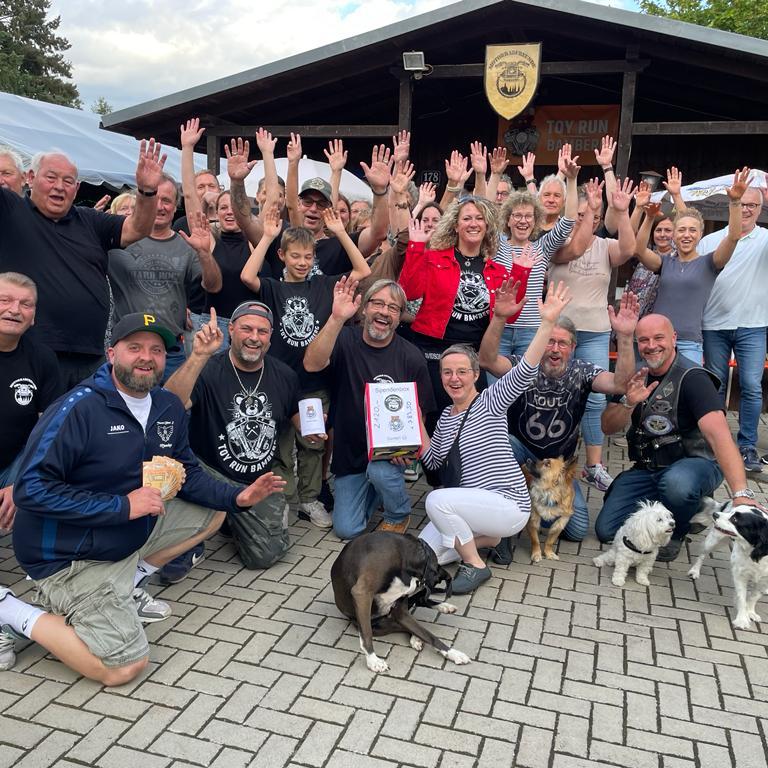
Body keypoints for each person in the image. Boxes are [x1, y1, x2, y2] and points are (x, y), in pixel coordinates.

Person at [1, 312, 285, 680]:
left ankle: (127, 584)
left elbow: (188, 473)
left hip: (121, 533)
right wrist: (122, 506)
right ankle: (9, 609)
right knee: (123, 667)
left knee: (213, 512)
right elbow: (31, 490)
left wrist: (237, 498)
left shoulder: (166, 406)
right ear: (111, 353)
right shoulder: (78, 408)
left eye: (156, 350)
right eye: (134, 347)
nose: (146, 357)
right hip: (68, 557)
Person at [417, 281, 573, 593]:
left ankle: (475, 565)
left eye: (462, 371)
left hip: (507, 504)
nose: (454, 378)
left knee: (435, 500)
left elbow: (526, 370)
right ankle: (490, 540)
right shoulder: (446, 419)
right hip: (473, 507)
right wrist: (415, 421)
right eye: (447, 372)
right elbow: (432, 461)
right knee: (423, 553)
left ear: (475, 375)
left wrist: (547, 324)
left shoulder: (490, 399)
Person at [479, 286, 638, 564]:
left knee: (576, 530)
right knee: (502, 444)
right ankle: (501, 532)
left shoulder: (582, 371)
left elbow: (619, 384)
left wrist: (624, 338)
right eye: (549, 341)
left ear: (573, 348)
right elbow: (487, 360)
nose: (554, 349)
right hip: (520, 455)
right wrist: (500, 317)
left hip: (557, 466)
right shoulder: (523, 365)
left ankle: (525, 504)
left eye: (562, 343)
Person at [164, 302, 324, 574]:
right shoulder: (208, 368)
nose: (254, 337)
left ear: (270, 337)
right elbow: (171, 404)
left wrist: (312, 429)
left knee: (266, 555)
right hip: (208, 473)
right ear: (232, 330)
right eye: (246, 329)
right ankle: (196, 535)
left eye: (262, 331)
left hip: (255, 481)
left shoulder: (284, 375)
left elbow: (299, 419)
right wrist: (198, 356)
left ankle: (230, 519)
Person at [239, 207, 371, 528]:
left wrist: (340, 232)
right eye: (295, 256)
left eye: (308, 256)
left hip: (315, 380)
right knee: (281, 442)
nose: (302, 262)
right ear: (282, 255)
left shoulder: (325, 286)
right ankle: (284, 499)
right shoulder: (273, 287)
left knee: (313, 442)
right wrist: (268, 236)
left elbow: (362, 270)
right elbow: (246, 276)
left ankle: (310, 498)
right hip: (280, 382)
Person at [0, 142, 166, 388]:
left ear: (76, 189)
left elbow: (137, 228)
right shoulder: (11, 211)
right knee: (36, 424)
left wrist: (147, 191)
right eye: (51, 177)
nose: (59, 186)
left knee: (88, 423)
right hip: (30, 350)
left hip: (89, 354)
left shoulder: (90, 220)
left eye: (68, 181)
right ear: (31, 178)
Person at [596, 313, 754, 562]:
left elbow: (720, 437)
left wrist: (741, 494)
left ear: (674, 338)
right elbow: (607, 427)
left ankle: (678, 530)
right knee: (606, 529)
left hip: (696, 465)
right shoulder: (636, 375)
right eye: (644, 340)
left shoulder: (694, 378)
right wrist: (628, 403)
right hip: (648, 469)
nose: (651, 345)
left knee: (677, 485)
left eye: (659, 338)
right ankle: (690, 507)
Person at [304, 278, 435, 539]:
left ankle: (398, 513)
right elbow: (312, 363)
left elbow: (417, 412)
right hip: (349, 455)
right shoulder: (343, 339)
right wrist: (336, 318)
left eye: (393, 308)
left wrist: (411, 449)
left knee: (381, 472)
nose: (384, 312)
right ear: (364, 308)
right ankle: (376, 490)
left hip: (388, 456)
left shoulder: (411, 357)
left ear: (399, 318)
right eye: (378, 303)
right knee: (346, 529)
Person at [549, 177, 636, 492]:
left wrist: (622, 212)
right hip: (559, 333)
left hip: (596, 331)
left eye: (595, 217)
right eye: (583, 215)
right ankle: (552, 458)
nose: (590, 220)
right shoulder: (559, 244)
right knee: (555, 396)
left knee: (596, 398)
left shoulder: (605, 246)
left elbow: (629, 248)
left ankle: (594, 466)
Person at [107, 174, 222, 379]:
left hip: (170, 350)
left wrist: (205, 254)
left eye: (167, 201)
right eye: (155, 199)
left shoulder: (186, 244)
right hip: (128, 346)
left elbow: (213, 286)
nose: (160, 206)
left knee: (174, 408)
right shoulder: (117, 239)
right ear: (143, 201)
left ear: (175, 206)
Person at [632, 169, 749, 364]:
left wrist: (736, 202)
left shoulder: (710, 263)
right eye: (682, 230)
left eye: (692, 230)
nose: (687, 234)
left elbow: (734, 237)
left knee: (687, 391)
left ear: (700, 234)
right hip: (657, 343)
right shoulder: (665, 263)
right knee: (652, 392)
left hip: (689, 344)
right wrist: (649, 218)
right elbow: (640, 250)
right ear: (674, 235)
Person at [699, 182, 768, 473]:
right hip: (714, 324)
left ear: (761, 208)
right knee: (714, 386)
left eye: (753, 205)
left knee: (752, 387)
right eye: (742, 204)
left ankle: (747, 446)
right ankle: (715, 444)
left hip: (754, 324)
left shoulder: (766, 239)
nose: (748, 209)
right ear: (733, 206)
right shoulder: (710, 240)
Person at [492, 148, 579, 359]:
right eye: (518, 216)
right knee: (496, 386)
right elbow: (485, 207)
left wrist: (572, 180)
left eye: (529, 216)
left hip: (530, 331)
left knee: (525, 387)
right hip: (499, 326)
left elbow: (568, 221)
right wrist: (494, 175)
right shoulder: (496, 243)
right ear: (508, 219)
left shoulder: (542, 246)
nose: (523, 221)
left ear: (535, 220)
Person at [0, 272, 62, 535]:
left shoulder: (42, 358)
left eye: (26, 304)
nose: (15, 310)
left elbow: (48, 429)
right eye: (5, 300)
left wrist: (20, 483)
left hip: (11, 465)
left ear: (33, 316)